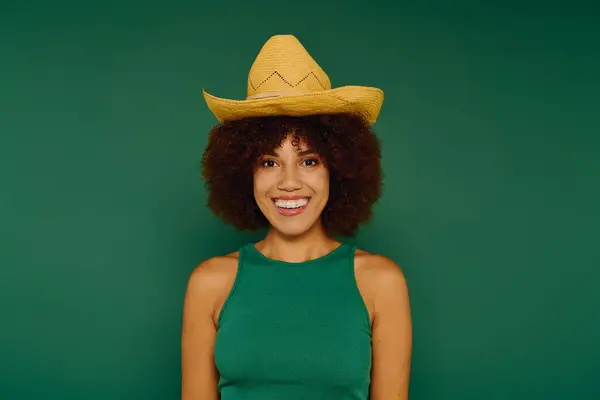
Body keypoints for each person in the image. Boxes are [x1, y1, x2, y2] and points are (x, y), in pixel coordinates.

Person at [181, 34, 412, 400]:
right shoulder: (209, 283)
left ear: (337, 169)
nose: (289, 183)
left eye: (309, 161)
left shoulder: (381, 283)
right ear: (244, 173)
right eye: (269, 162)